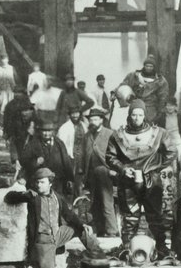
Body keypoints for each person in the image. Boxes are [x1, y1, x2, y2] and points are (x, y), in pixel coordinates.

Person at [5, 165, 103, 268]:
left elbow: (69, 215)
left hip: (58, 235)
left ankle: (98, 255)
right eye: (37, 182)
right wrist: (25, 194)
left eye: (42, 182)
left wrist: (82, 225)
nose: (39, 185)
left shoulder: (57, 197)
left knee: (81, 229)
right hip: (43, 242)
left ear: (50, 183)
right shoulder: (33, 197)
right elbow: (9, 197)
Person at [106, 98, 174, 253]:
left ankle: (162, 247)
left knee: (155, 215)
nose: (137, 118)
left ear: (145, 115)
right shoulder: (118, 135)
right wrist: (123, 168)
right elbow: (110, 156)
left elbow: (171, 152)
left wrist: (154, 167)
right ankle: (127, 248)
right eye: (134, 115)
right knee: (130, 216)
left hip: (152, 181)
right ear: (129, 115)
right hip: (128, 182)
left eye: (140, 115)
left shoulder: (159, 133)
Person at [83, 107, 119, 237]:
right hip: (92, 174)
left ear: (101, 120)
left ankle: (112, 230)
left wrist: (114, 171)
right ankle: (100, 229)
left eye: (95, 119)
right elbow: (83, 156)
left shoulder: (110, 134)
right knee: (94, 203)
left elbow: (117, 155)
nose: (92, 121)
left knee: (106, 200)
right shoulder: (87, 136)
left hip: (105, 172)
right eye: (91, 119)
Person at [18, 116, 71, 191]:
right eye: (44, 131)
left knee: (57, 200)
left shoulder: (59, 144)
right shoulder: (33, 144)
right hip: (39, 182)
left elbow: (66, 162)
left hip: (57, 182)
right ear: (40, 131)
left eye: (49, 131)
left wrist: (69, 178)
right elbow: (24, 161)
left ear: (53, 132)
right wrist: (36, 162)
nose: (46, 134)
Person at [118, 55, 170, 126]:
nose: (148, 68)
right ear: (144, 66)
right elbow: (123, 85)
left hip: (151, 108)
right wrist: (115, 93)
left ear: (154, 67)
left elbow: (163, 97)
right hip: (136, 105)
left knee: (148, 126)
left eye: (151, 66)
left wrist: (160, 111)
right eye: (147, 66)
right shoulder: (134, 76)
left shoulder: (160, 81)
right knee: (133, 125)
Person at [56, 102, 90, 197]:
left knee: (80, 181)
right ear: (69, 115)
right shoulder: (64, 128)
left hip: (82, 157)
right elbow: (61, 145)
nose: (75, 115)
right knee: (69, 181)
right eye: (73, 113)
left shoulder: (84, 125)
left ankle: (78, 200)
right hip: (70, 157)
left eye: (77, 113)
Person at [3, 87, 35, 169]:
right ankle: (17, 165)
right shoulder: (10, 105)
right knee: (15, 149)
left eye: (19, 92)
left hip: (26, 131)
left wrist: (32, 126)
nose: (17, 94)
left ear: (23, 94)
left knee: (27, 150)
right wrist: (6, 133)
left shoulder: (28, 104)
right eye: (15, 92)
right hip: (14, 131)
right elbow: (6, 120)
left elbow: (34, 117)